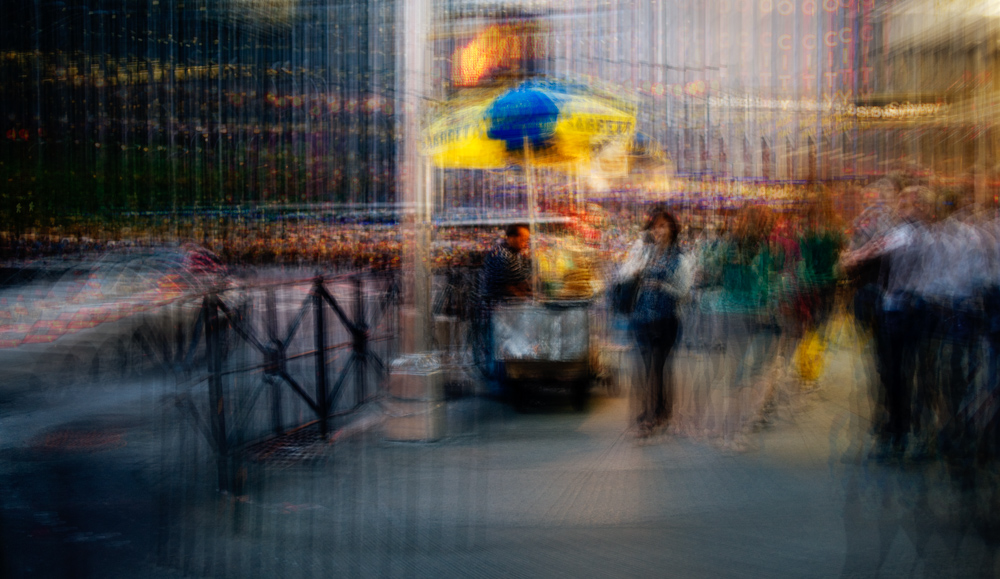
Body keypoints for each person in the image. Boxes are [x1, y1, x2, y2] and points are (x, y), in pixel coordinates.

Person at [619, 208, 693, 438]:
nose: (659, 230)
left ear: (672, 229)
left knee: (658, 367)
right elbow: (624, 274)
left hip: (666, 318)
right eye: (655, 226)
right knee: (646, 367)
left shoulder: (680, 258)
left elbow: (684, 290)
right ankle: (653, 410)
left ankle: (657, 412)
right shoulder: (644, 252)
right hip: (642, 318)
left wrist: (663, 287)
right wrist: (636, 267)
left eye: (663, 226)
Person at [475, 223, 533, 386]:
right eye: (522, 239)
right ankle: (504, 379)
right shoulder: (503, 256)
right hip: (499, 308)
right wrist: (528, 298)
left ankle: (505, 377)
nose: (525, 243)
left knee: (502, 343)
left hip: (505, 308)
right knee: (502, 343)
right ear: (511, 238)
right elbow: (510, 285)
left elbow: (519, 281)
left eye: (527, 239)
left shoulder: (511, 254)